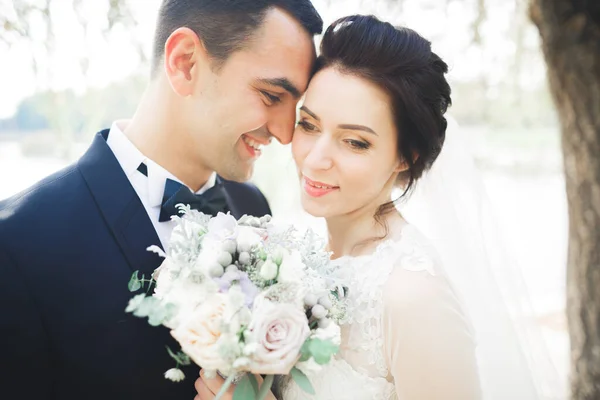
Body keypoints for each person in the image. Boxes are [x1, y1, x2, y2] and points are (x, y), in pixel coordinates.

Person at [195, 15, 550, 400]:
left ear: (405, 158)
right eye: (310, 125)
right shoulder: (302, 260)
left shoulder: (412, 296)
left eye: (355, 142)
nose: (315, 159)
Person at [0, 1, 322, 399]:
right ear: (185, 62)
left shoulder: (252, 207)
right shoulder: (17, 243)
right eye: (272, 95)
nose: (286, 133)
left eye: (297, 107)